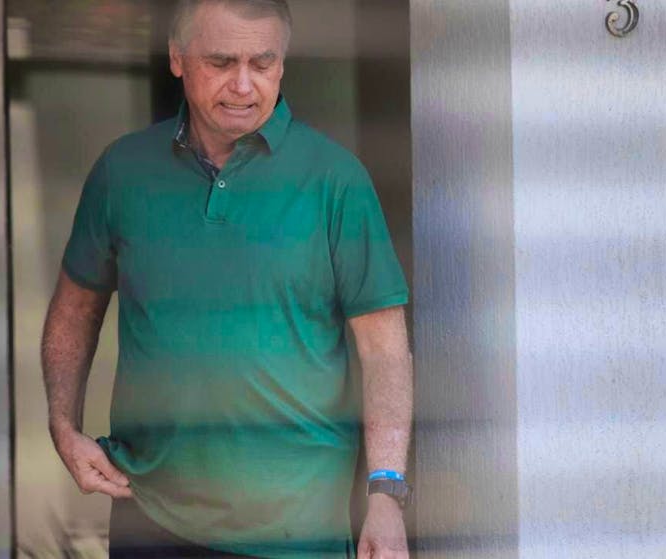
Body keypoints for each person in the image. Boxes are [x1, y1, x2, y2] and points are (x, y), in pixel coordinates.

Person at [40, 1, 412, 557]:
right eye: (221, 62)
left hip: (296, 532)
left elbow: (383, 349)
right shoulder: (122, 171)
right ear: (177, 57)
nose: (243, 84)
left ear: (282, 64)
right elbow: (75, 311)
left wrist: (385, 493)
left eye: (262, 63)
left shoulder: (336, 181)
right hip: (149, 521)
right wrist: (63, 428)